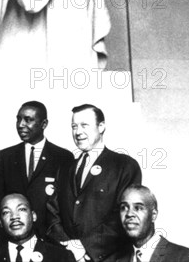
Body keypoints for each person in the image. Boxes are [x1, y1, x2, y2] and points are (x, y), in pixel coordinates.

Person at [47, 104, 142, 262]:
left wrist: (85, 247)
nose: (78, 132)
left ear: (101, 127)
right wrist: (69, 247)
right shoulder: (64, 168)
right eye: (74, 126)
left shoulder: (124, 165)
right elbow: (52, 212)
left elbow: (124, 215)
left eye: (84, 125)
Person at [0, 101, 74, 240]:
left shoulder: (63, 157)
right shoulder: (6, 157)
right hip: (14, 243)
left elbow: (66, 205)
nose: (21, 124)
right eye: (18, 119)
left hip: (51, 244)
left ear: (44, 124)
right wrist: (3, 239)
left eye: (28, 120)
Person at [110, 185, 189, 262]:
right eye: (124, 207)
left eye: (138, 208)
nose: (129, 214)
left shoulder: (185, 258)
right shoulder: (115, 259)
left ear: (153, 215)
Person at [0, 193, 73, 262]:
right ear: (0, 222)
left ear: (34, 216)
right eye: (6, 212)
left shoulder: (62, 257)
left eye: (21, 209)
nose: (14, 216)